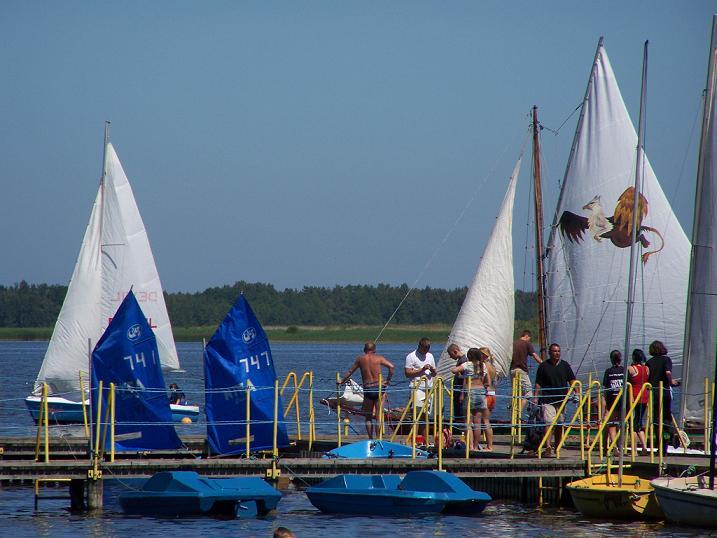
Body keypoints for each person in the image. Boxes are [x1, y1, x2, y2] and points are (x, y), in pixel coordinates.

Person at [339, 341, 394, 439]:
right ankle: (378, 438)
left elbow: (350, 371)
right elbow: (391, 366)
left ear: (364, 350)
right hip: (379, 388)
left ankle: (370, 438)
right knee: (378, 416)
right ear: (374, 350)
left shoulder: (360, 359)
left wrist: (342, 381)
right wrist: (388, 380)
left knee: (368, 416)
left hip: (368, 389)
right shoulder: (379, 358)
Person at [533, 343, 576, 456]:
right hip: (547, 400)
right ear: (550, 352)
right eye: (554, 351)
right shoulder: (543, 366)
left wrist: (577, 393)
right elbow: (538, 383)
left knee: (559, 424)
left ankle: (557, 446)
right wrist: (535, 397)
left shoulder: (565, 365)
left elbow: (572, 380)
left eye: (558, 351)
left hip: (561, 401)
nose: (557, 353)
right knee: (548, 422)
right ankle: (548, 446)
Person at [451, 347, 493, 451]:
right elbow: (488, 382)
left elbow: (453, 370)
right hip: (481, 393)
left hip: (470, 393)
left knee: (468, 422)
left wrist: (461, 374)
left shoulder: (467, 364)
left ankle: (470, 447)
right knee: (478, 422)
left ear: (469, 356)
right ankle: (475, 445)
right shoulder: (483, 365)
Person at [646, 340, 680, 454]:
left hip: (653, 392)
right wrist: (672, 382)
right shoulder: (666, 359)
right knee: (666, 417)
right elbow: (668, 373)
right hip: (664, 391)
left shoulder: (649, 362)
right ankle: (671, 435)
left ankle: (661, 448)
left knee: (656, 420)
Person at [404, 337, 437, 442]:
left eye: (428, 348)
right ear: (420, 346)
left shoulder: (430, 356)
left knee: (425, 416)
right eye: (425, 348)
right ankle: (413, 440)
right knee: (416, 415)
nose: (426, 350)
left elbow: (435, 373)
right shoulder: (411, 356)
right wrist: (421, 369)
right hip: (417, 388)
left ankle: (426, 440)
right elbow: (407, 373)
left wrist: (432, 370)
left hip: (428, 387)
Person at [510, 330, 542, 411]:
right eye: (529, 338)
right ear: (527, 336)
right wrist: (543, 364)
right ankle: (518, 412)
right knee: (528, 393)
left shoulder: (513, 343)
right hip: (521, 370)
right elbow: (535, 356)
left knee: (516, 393)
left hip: (512, 370)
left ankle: (513, 414)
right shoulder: (527, 344)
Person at [601, 350, 624, 449]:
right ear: (620, 359)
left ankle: (613, 445)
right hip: (623, 401)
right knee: (621, 424)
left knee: (612, 424)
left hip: (612, 401)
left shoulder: (608, 371)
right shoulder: (624, 370)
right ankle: (619, 446)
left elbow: (606, 388)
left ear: (611, 359)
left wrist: (604, 403)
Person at [629, 348, 650, 453]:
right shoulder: (646, 368)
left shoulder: (632, 369)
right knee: (638, 422)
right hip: (645, 397)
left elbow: (627, 381)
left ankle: (634, 450)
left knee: (632, 424)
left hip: (634, 396)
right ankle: (644, 447)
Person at [446, 343, 468, 424]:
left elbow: (465, 378)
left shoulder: (463, 361)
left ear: (455, 351)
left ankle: (461, 429)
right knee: (458, 411)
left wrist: (462, 394)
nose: (450, 357)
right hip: (458, 389)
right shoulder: (461, 360)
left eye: (450, 354)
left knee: (460, 412)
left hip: (460, 390)